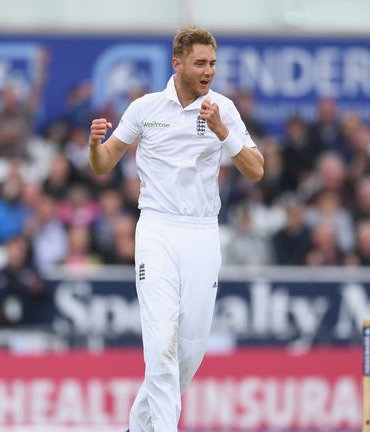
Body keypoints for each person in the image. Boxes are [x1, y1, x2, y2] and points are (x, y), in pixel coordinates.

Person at [87, 26, 264, 432]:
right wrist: (96, 145)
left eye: (213, 63)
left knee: (189, 352)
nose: (208, 71)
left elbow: (257, 171)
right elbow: (103, 165)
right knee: (162, 342)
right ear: (177, 64)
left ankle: (139, 427)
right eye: (200, 63)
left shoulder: (223, 109)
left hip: (202, 232)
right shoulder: (144, 109)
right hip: (157, 231)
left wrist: (223, 132)